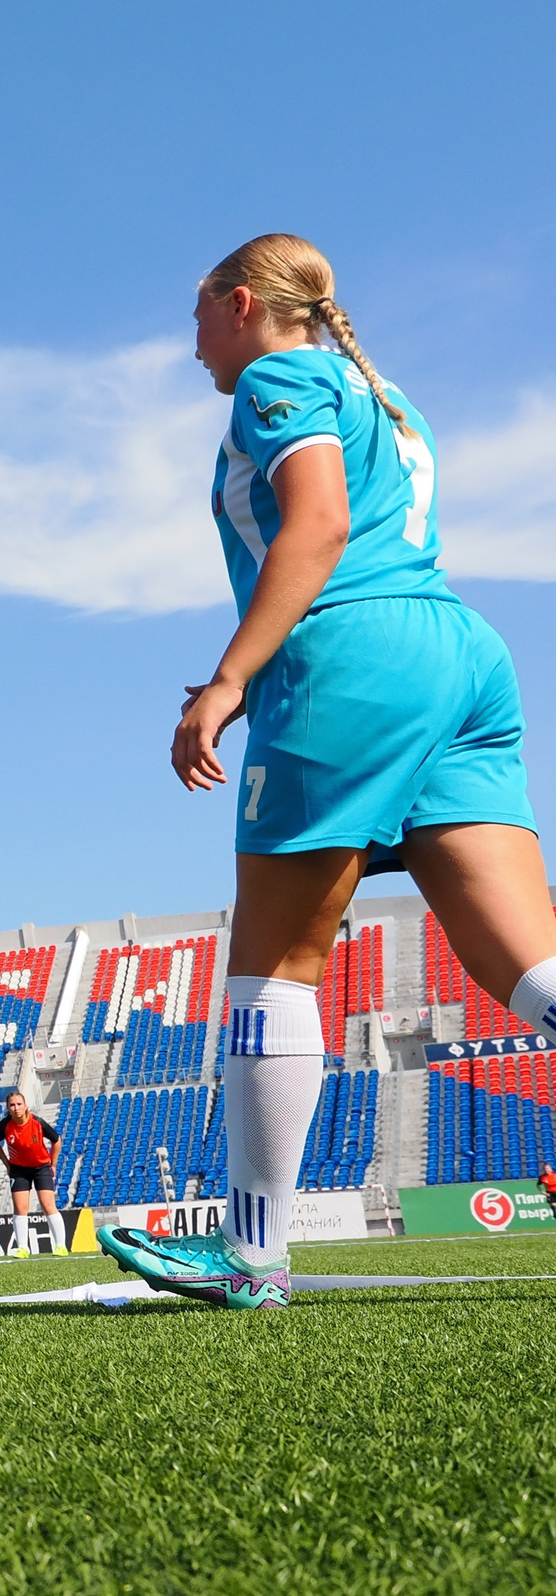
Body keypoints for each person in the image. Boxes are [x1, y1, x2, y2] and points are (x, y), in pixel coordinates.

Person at [98, 234, 556, 1311]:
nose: (195, 345)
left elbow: (317, 526)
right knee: (528, 970)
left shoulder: (278, 375)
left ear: (241, 302)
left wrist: (225, 683)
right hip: (459, 654)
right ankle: (250, 1254)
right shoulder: (385, 395)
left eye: (198, 318)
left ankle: (250, 1259)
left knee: (273, 965)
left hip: (353, 661)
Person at [0, 1091, 61, 1260]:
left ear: (25, 1105)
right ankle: (22, 1248)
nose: (16, 1108)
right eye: (12, 1105)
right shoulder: (3, 1126)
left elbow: (56, 1140)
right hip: (19, 1170)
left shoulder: (38, 1122)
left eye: (19, 1104)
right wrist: (7, 1163)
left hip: (41, 1167)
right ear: (8, 1108)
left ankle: (61, 1246)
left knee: (48, 1205)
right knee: (20, 1209)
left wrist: (53, 1164)